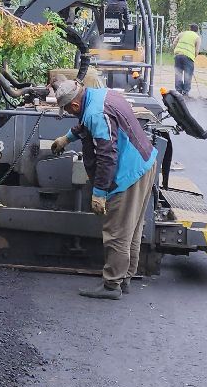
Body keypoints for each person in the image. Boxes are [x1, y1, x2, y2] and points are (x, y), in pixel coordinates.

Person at [48, 78, 160, 300]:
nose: (70, 114)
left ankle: (112, 285)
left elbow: (106, 156)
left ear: (74, 106)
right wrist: (67, 138)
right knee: (133, 228)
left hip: (128, 173)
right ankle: (125, 277)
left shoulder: (95, 113)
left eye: (69, 111)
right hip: (145, 163)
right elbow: (88, 123)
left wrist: (99, 193)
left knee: (116, 231)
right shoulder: (101, 94)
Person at [171, 25, 200, 98]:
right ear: (197, 30)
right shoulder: (197, 37)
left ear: (190, 28)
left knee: (178, 74)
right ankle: (185, 92)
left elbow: (174, 43)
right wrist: (194, 57)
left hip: (178, 56)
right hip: (188, 57)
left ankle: (178, 91)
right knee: (188, 75)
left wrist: (176, 51)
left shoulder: (182, 33)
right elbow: (197, 50)